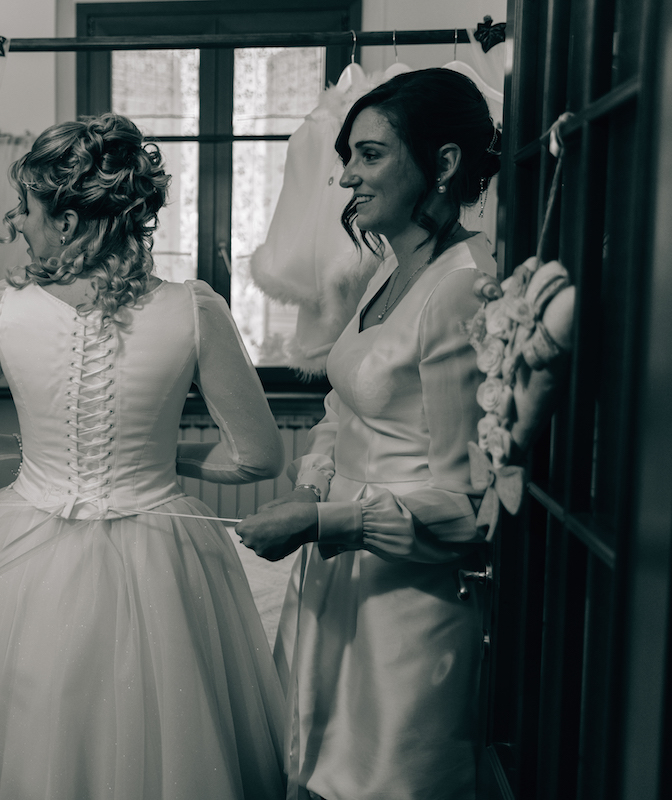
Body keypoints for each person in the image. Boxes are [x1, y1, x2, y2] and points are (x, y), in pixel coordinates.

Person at [0, 112, 288, 800]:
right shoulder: (194, 308)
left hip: (23, 540)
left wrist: (32, 459)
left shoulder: (0, 309)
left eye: (23, 205)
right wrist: (168, 462)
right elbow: (260, 458)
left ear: (66, 219)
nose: (14, 221)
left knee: (14, 729)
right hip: (161, 547)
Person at [234, 68, 502, 800]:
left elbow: (467, 503)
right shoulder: (390, 270)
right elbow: (345, 410)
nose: (345, 175)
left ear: (444, 164)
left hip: (409, 597)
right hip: (336, 576)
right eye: (348, 154)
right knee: (313, 762)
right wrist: (313, 483)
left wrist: (324, 520)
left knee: (384, 779)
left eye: (370, 155)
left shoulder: (462, 287)